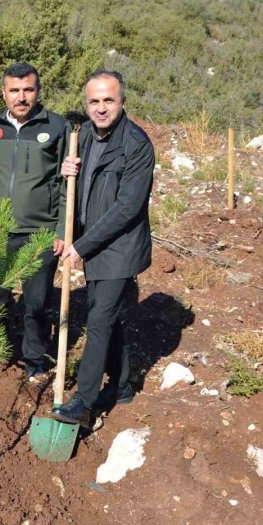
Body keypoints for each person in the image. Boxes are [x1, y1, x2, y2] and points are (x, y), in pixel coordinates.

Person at [53, 69, 155, 428]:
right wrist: (68, 174)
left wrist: (82, 245)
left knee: (97, 320)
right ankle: (124, 385)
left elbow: (127, 208)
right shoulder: (82, 138)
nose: (100, 108)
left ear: (122, 101)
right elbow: (78, 193)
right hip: (93, 242)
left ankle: (83, 401)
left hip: (119, 247)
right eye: (94, 101)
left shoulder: (136, 145)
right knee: (107, 314)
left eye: (108, 100)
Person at [0, 62, 69, 378]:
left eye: (28, 89)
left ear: (38, 91)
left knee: (37, 303)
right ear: (4, 93)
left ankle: (35, 361)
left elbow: (65, 184)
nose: (21, 97)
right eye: (14, 90)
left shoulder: (57, 128)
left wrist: (60, 229)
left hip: (40, 233)